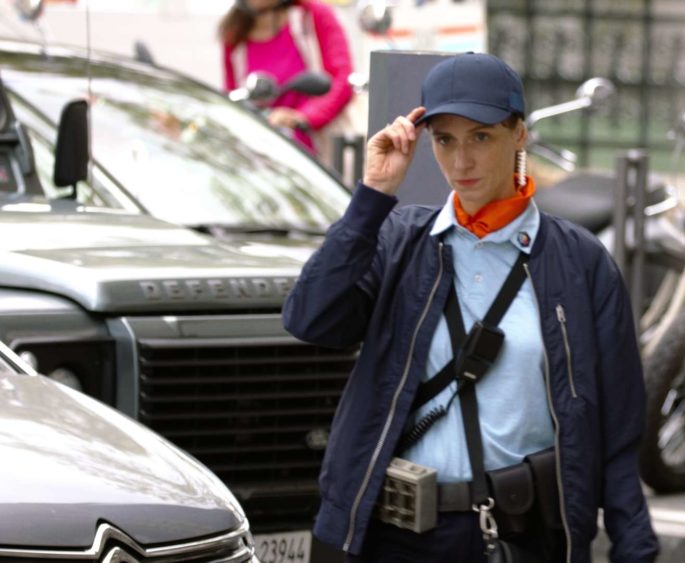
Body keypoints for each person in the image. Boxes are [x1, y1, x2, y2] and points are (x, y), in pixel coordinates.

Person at [282, 53, 659, 562]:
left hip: (519, 539)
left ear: (518, 134)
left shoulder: (580, 262)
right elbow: (311, 319)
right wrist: (372, 197)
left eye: (481, 137)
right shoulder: (399, 240)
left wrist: (635, 550)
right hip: (390, 540)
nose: (462, 162)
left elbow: (618, 429)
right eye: (445, 140)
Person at [219, 0, 353, 156]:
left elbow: (342, 80)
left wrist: (302, 117)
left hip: (317, 152)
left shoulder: (311, 16)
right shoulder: (234, 33)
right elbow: (233, 96)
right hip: (263, 154)